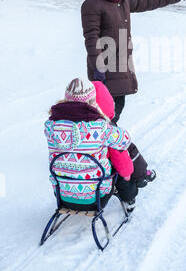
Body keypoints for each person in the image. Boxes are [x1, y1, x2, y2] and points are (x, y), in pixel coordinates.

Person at [81, 0, 186, 124]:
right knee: (105, 112)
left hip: (121, 64)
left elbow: (148, 1)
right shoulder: (92, 4)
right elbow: (91, 38)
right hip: (104, 66)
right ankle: (98, 144)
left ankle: (105, 143)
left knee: (115, 109)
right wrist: (98, 67)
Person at [44, 78, 138, 213]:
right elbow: (125, 140)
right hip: (97, 197)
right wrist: (101, 116)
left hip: (62, 195)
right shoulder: (100, 127)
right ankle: (128, 196)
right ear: (93, 102)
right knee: (116, 158)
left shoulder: (50, 126)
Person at [92, 80, 156, 190]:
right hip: (99, 184)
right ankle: (139, 178)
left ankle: (141, 174)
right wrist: (127, 174)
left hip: (67, 184)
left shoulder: (66, 128)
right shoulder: (107, 130)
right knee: (125, 151)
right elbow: (121, 160)